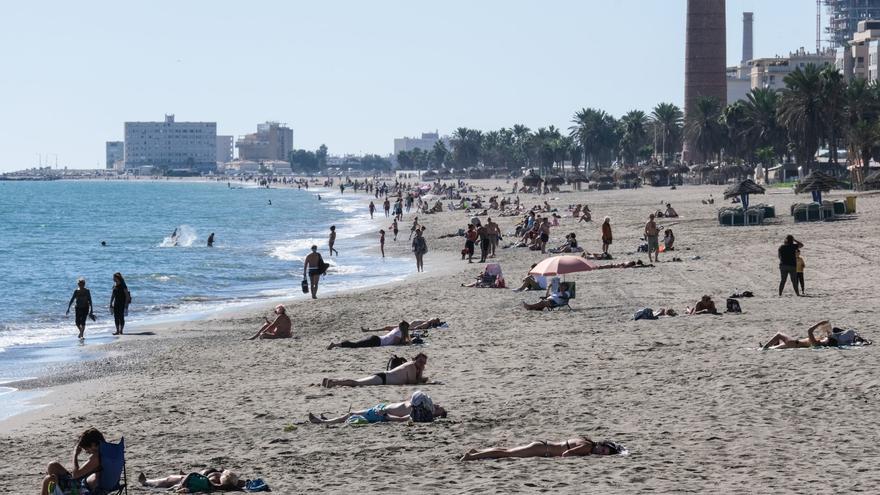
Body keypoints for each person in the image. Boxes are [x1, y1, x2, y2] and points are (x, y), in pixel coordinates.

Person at [309, 391, 446, 425]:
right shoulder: (420, 407)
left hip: (379, 412)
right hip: (381, 407)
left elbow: (401, 419)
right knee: (352, 414)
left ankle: (323, 422)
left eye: (439, 408)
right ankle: (330, 421)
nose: (438, 406)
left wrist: (385, 415)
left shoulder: (415, 412)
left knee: (351, 414)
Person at [40, 428, 105, 495]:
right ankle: (56, 489)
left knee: (48, 479)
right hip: (83, 483)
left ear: (93, 444)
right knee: (53, 465)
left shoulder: (96, 457)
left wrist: (75, 455)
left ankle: (56, 491)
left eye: (86, 448)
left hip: (81, 488)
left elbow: (75, 475)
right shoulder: (107, 452)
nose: (86, 451)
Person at [460, 436, 624, 461]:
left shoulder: (585, 439)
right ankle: (472, 457)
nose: (600, 454)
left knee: (506, 449)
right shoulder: (587, 446)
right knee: (506, 453)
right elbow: (566, 454)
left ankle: (477, 452)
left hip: (543, 445)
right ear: (601, 445)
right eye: (603, 451)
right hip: (542, 450)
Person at [322, 352, 429, 387]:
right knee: (356, 383)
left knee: (357, 382)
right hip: (382, 379)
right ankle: (333, 382)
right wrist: (423, 376)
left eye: (423, 363)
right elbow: (412, 382)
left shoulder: (415, 368)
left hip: (383, 378)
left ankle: (331, 381)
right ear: (415, 359)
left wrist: (421, 375)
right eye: (420, 361)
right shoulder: (411, 366)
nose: (422, 364)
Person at [762, 320, 871, 350]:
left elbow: (809, 331)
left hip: (794, 343)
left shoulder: (816, 343)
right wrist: (827, 329)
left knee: (779, 334)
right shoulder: (821, 343)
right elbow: (829, 336)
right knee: (773, 347)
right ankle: (765, 347)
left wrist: (818, 324)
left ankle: (764, 348)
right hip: (794, 343)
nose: (826, 338)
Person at [138, 468, 244, 491]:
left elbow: (195, 477)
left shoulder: (213, 482)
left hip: (186, 480)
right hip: (192, 478)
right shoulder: (227, 483)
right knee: (169, 480)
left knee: (167, 480)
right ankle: (147, 482)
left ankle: (146, 482)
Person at [327, 321, 411, 349]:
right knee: (355, 345)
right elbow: (395, 343)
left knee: (357, 344)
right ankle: (335, 345)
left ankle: (336, 344)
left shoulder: (396, 329)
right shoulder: (399, 333)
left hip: (376, 339)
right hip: (377, 341)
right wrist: (404, 343)